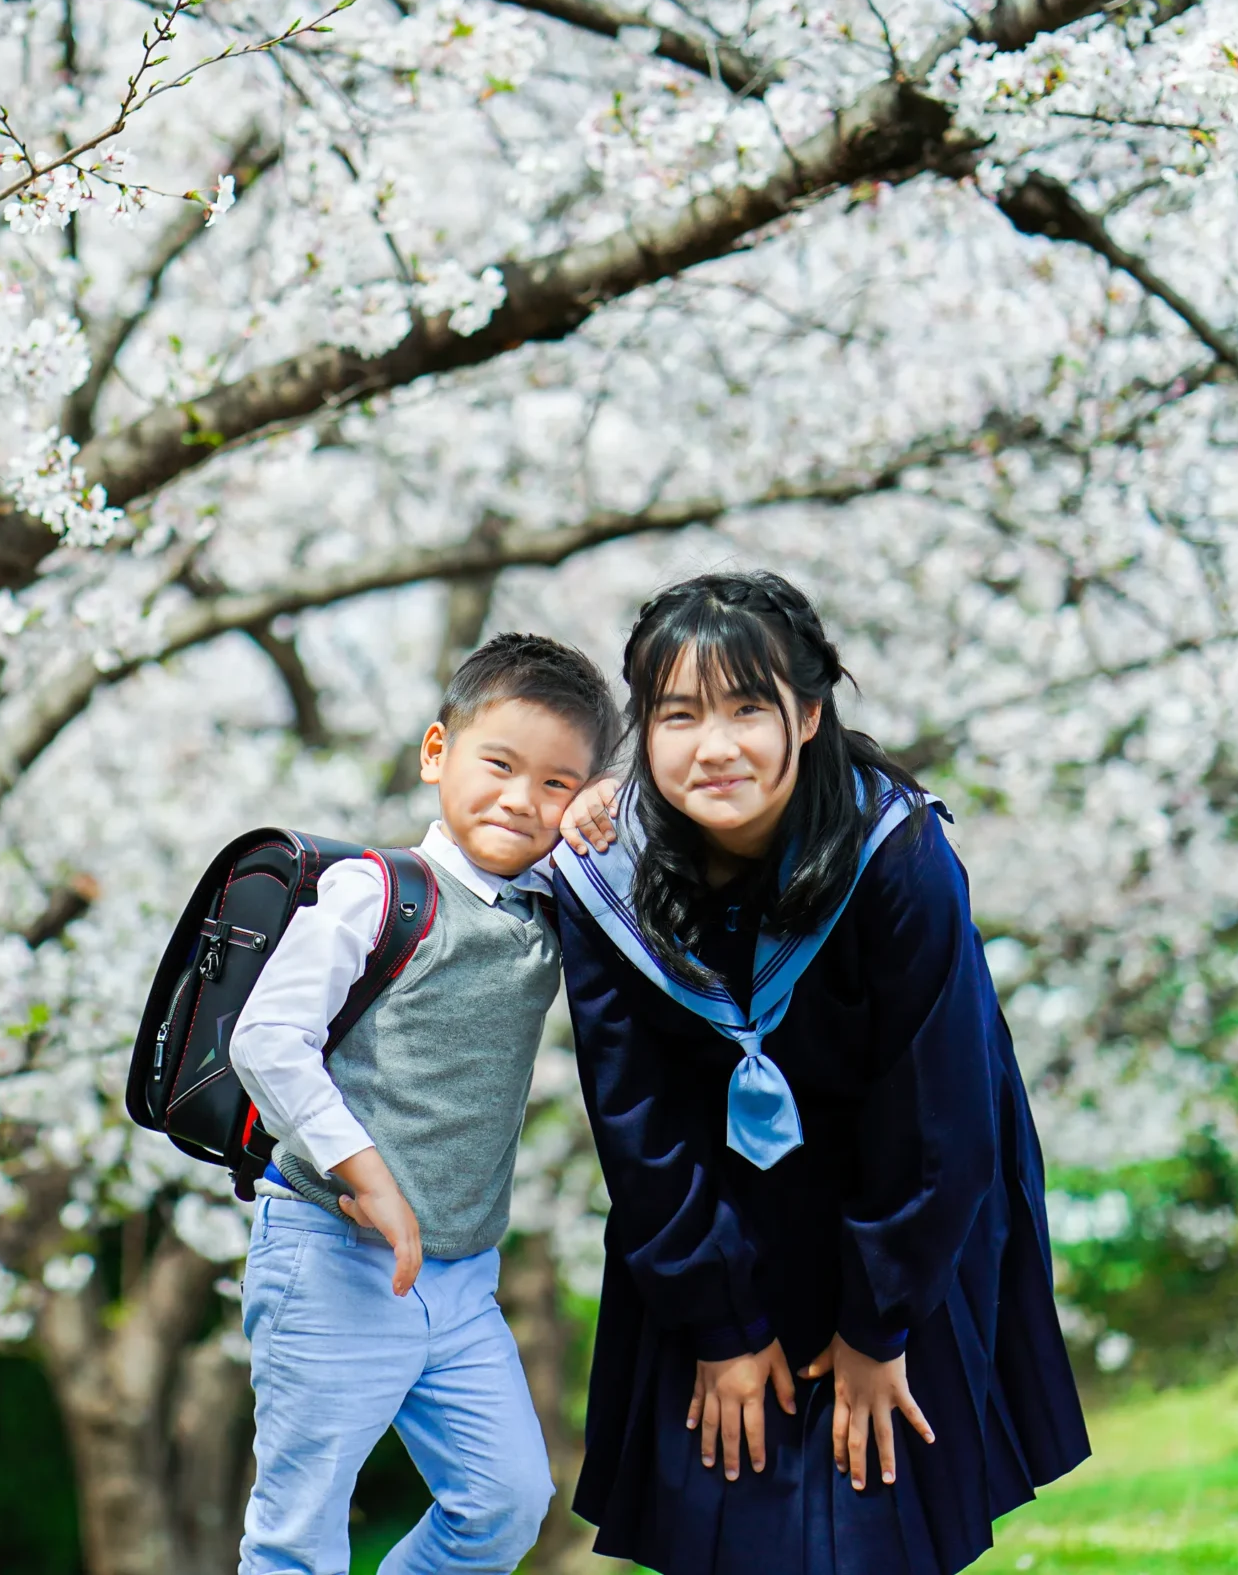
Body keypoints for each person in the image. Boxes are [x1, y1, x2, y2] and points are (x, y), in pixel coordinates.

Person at [547, 572, 1089, 1575]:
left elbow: (940, 1112)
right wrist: (719, 1325)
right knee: (730, 1512)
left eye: (747, 709)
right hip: (708, 1220)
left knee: (878, 1509)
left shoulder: (898, 854)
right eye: (678, 715)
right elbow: (634, 1118)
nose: (714, 746)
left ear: (806, 714)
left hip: (900, 1215)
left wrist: (880, 1328)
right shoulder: (601, 873)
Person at [228, 632, 623, 1575]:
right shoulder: (378, 891)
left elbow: (660, 835)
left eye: (558, 784)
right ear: (437, 751)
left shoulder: (551, 903)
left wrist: (617, 797)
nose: (522, 800)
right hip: (332, 1251)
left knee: (506, 1503)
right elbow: (266, 1039)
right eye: (500, 765)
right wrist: (370, 1177)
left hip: (460, 1276)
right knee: (297, 1534)